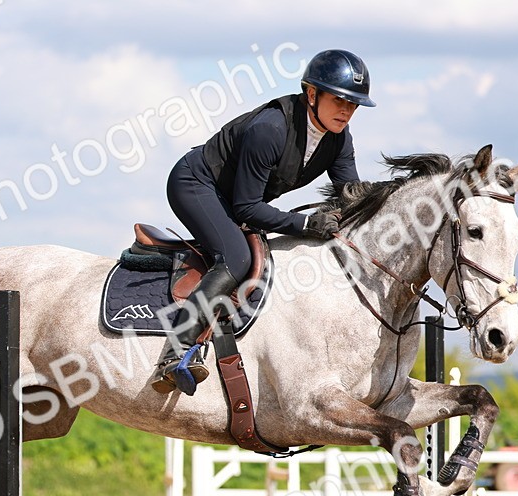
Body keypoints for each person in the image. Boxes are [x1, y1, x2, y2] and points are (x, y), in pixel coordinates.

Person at [150, 49, 376, 394]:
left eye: (354, 104)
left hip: (233, 198)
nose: (347, 110)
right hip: (195, 184)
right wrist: (305, 224)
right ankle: (175, 353)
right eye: (340, 100)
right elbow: (247, 208)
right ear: (311, 94)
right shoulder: (269, 128)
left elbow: (351, 196)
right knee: (237, 257)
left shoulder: (339, 139)